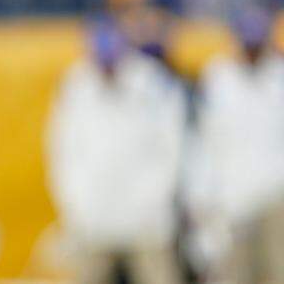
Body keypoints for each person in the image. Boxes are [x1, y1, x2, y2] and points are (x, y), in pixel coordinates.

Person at [45, 23, 187, 284]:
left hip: (146, 217)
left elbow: (171, 146)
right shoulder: (76, 85)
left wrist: (156, 198)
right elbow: (63, 151)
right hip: (95, 217)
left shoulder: (152, 83)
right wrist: (77, 205)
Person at [193, 8, 284, 284]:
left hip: (276, 192)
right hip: (234, 196)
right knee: (233, 274)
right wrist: (202, 194)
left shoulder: (279, 76)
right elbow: (207, 141)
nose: (252, 52)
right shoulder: (218, 78)